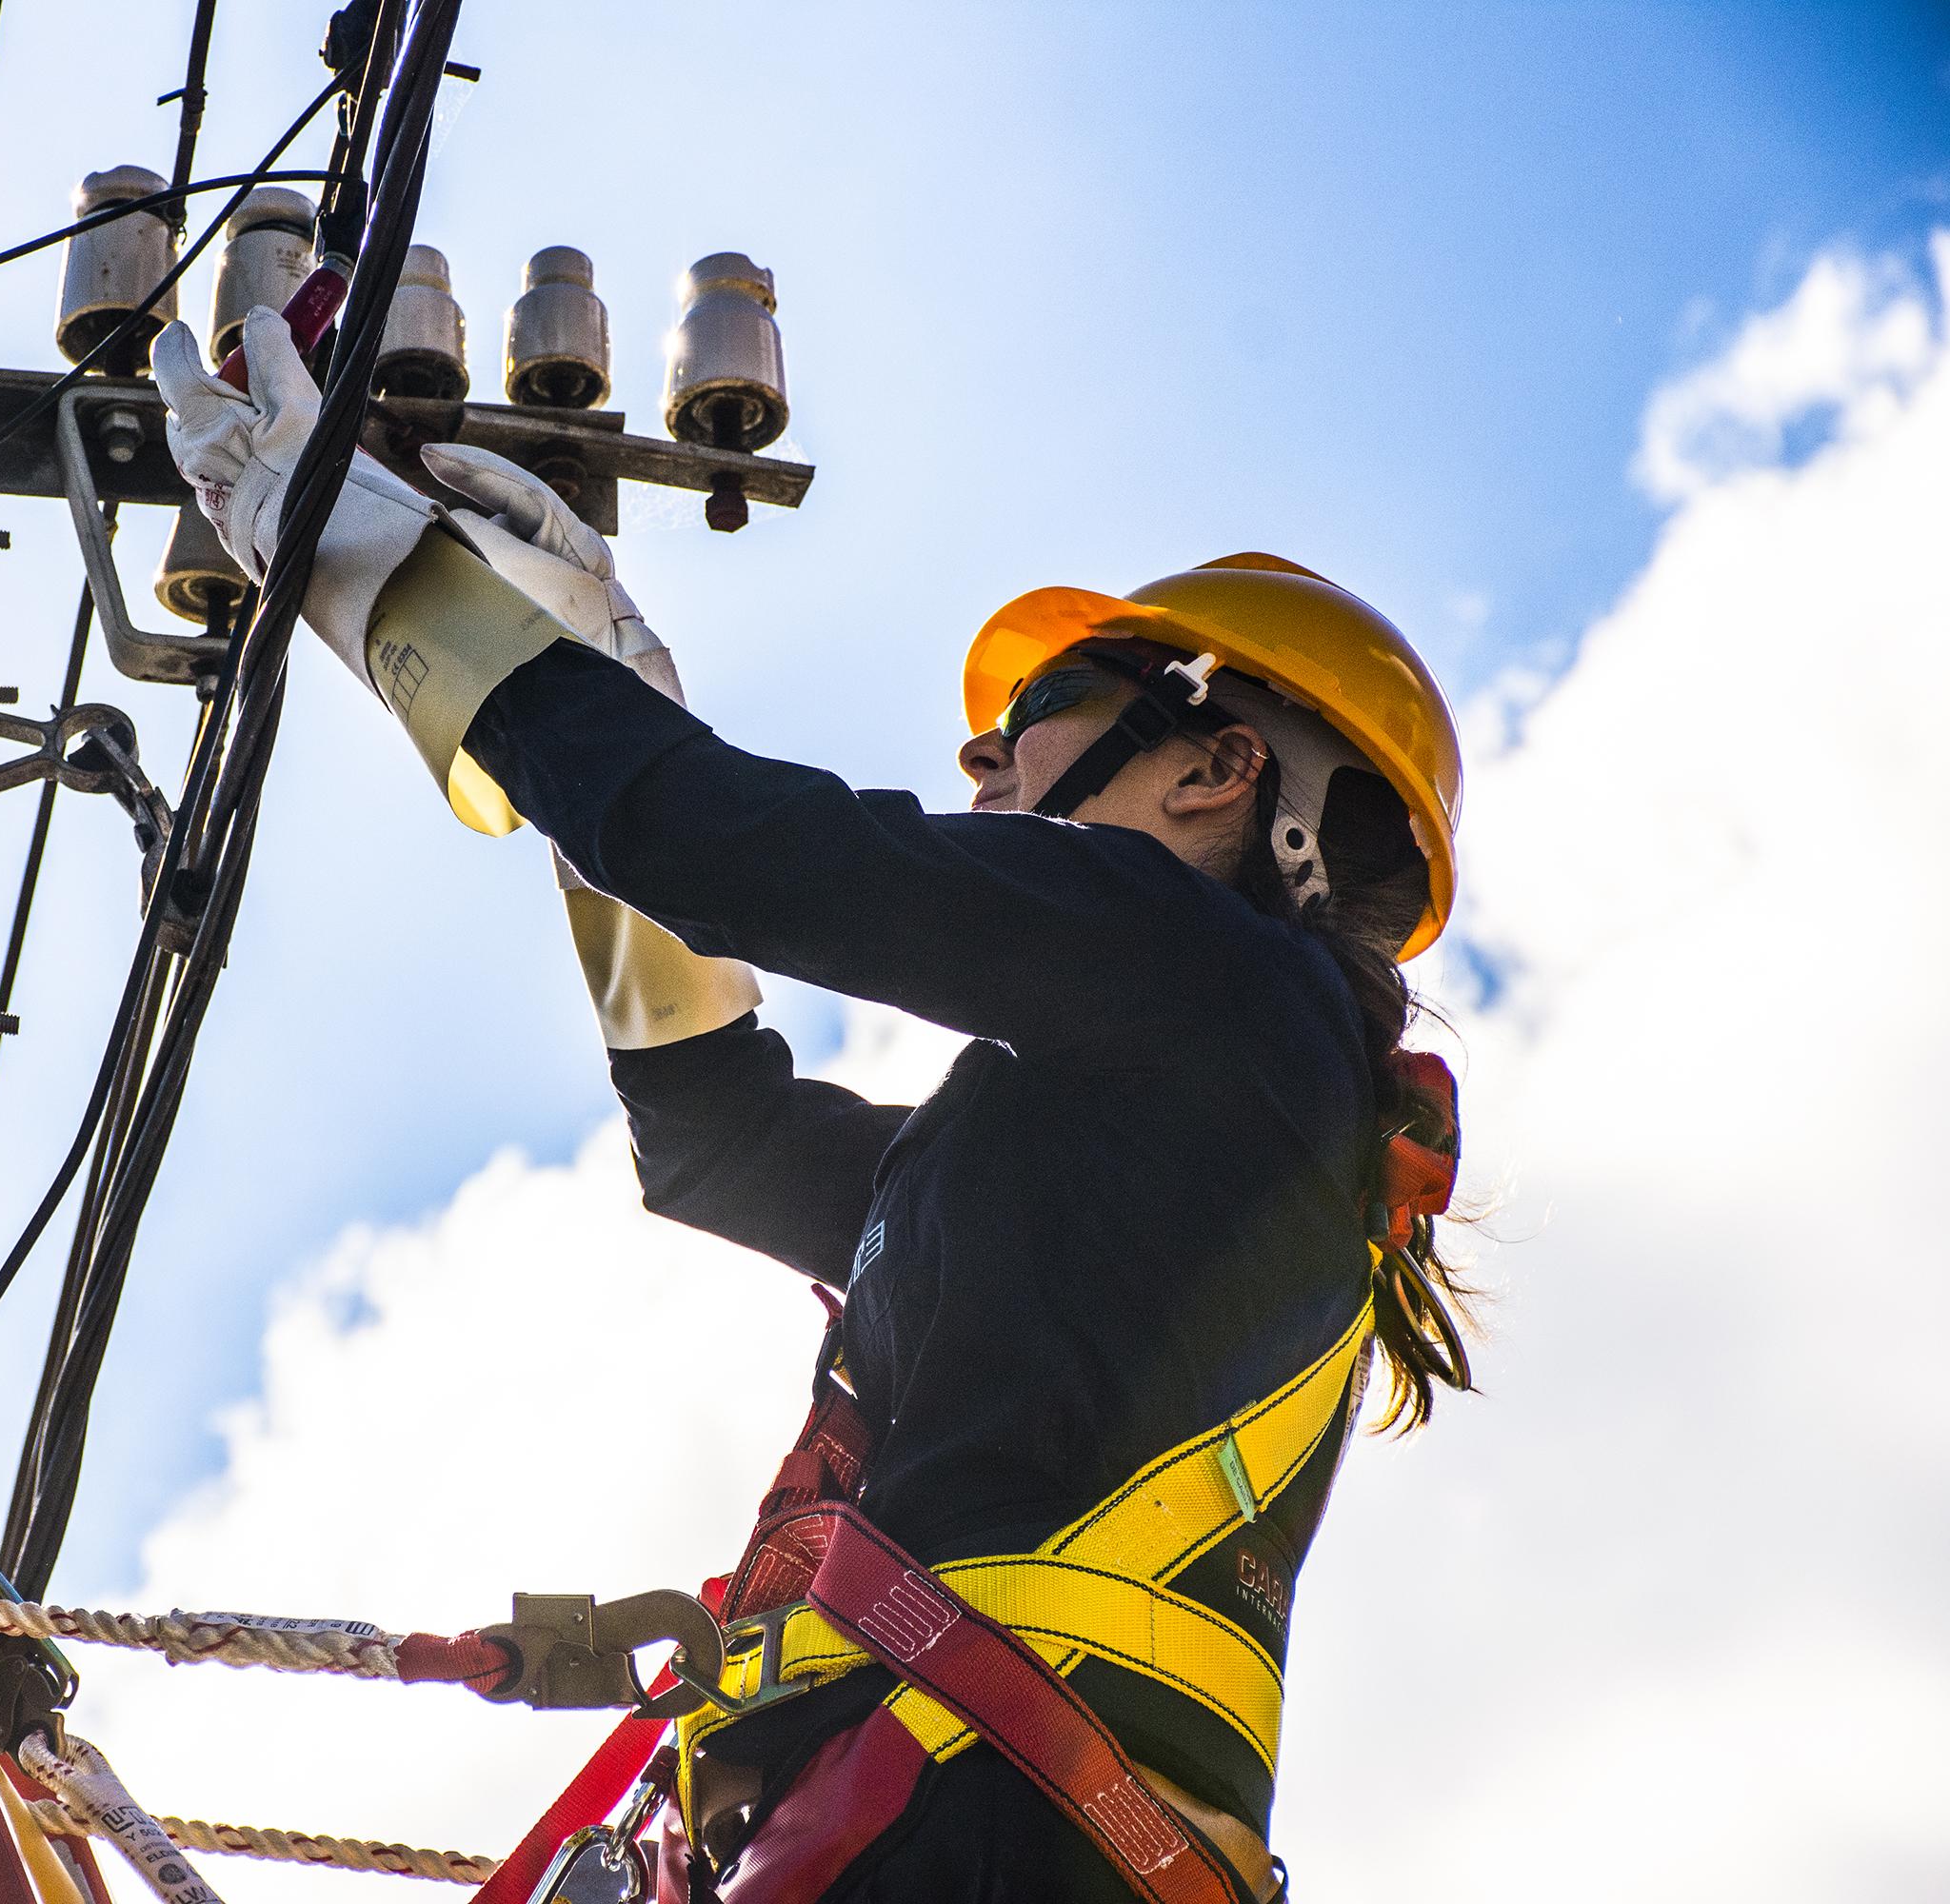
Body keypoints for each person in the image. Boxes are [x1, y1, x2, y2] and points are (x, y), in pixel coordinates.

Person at [154, 309, 1480, 1904]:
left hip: (984, 1833)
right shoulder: (1126, 1146)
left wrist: (372, 569)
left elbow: (741, 852)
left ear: (1213, 771)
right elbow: (716, 1135)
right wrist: (600, 688)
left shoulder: (1205, 978)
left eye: (1043, 705)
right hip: (971, 1827)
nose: (982, 754)